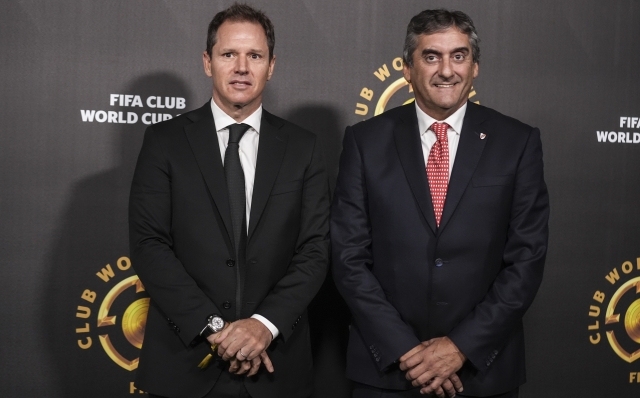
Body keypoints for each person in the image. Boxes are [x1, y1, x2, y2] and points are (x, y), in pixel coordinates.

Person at [331, 8, 549, 398]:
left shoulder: (517, 142)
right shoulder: (364, 142)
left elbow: (527, 260)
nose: (446, 70)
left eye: (459, 56)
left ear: (475, 66)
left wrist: (461, 346)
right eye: (431, 56)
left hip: (482, 373)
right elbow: (348, 258)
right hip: (387, 372)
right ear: (406, 68)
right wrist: (407, 351)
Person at [129, 4, 330, 397]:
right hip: (185, 363)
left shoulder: (303, 148)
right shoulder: (164, 142)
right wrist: (216, 329)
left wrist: (263, 325)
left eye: (254, 55)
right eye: (228, 54)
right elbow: (149, 245)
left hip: (276, 367)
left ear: (270, 66)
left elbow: (315, 249)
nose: (241, 67)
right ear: (207, 62)